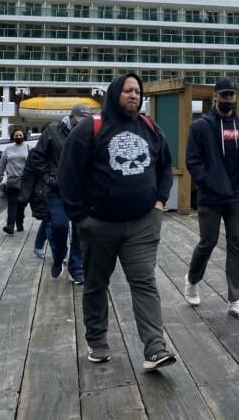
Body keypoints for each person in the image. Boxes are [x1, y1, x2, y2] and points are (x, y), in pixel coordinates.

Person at [58, 73, 176, 371]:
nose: (134, 95)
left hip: (142, 223)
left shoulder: (149, 127)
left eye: (137, 91)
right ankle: (97, 342)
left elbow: (164, 165)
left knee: (145, 282)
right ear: (114, 94)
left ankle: (155, 348)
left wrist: (160, 202)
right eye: (127, 90)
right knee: (96, 284)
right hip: (99, 225)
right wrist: (81, 218)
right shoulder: (90, 128)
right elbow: (67, 174)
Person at [184, 77, 239, 319]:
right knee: (208, 242)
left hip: (237, 195)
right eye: (224, 95)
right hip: (212, 195)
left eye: (231, 95)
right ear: (215, 96)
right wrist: (209, 183)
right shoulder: (201, 126)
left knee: (236, 243)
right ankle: (193, 279)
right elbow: (193, 160)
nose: (228, 99)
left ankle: (235, 299)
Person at [28, 105, 92, 282]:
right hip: (56, 190)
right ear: (70, 117)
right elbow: (37, 156)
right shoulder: (52, 130)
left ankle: (76, 267)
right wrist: (48, 177)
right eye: (78, 122)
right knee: (59, 226)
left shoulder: (89, 133)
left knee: (80, 230)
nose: (80, 126)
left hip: (80, 190)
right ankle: (58, 257)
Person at [0, 126, 29, 235]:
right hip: (12, 181)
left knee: (21, 205)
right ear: (13, 137)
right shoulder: (8, 150)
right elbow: (2, 166)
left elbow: (33, 165)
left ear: (24, 136)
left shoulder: (29, 148)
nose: (18, 137)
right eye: (16, 136)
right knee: (12, 204)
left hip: (24, 181)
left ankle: (20, 223)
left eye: (20, 135)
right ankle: (10, 226)